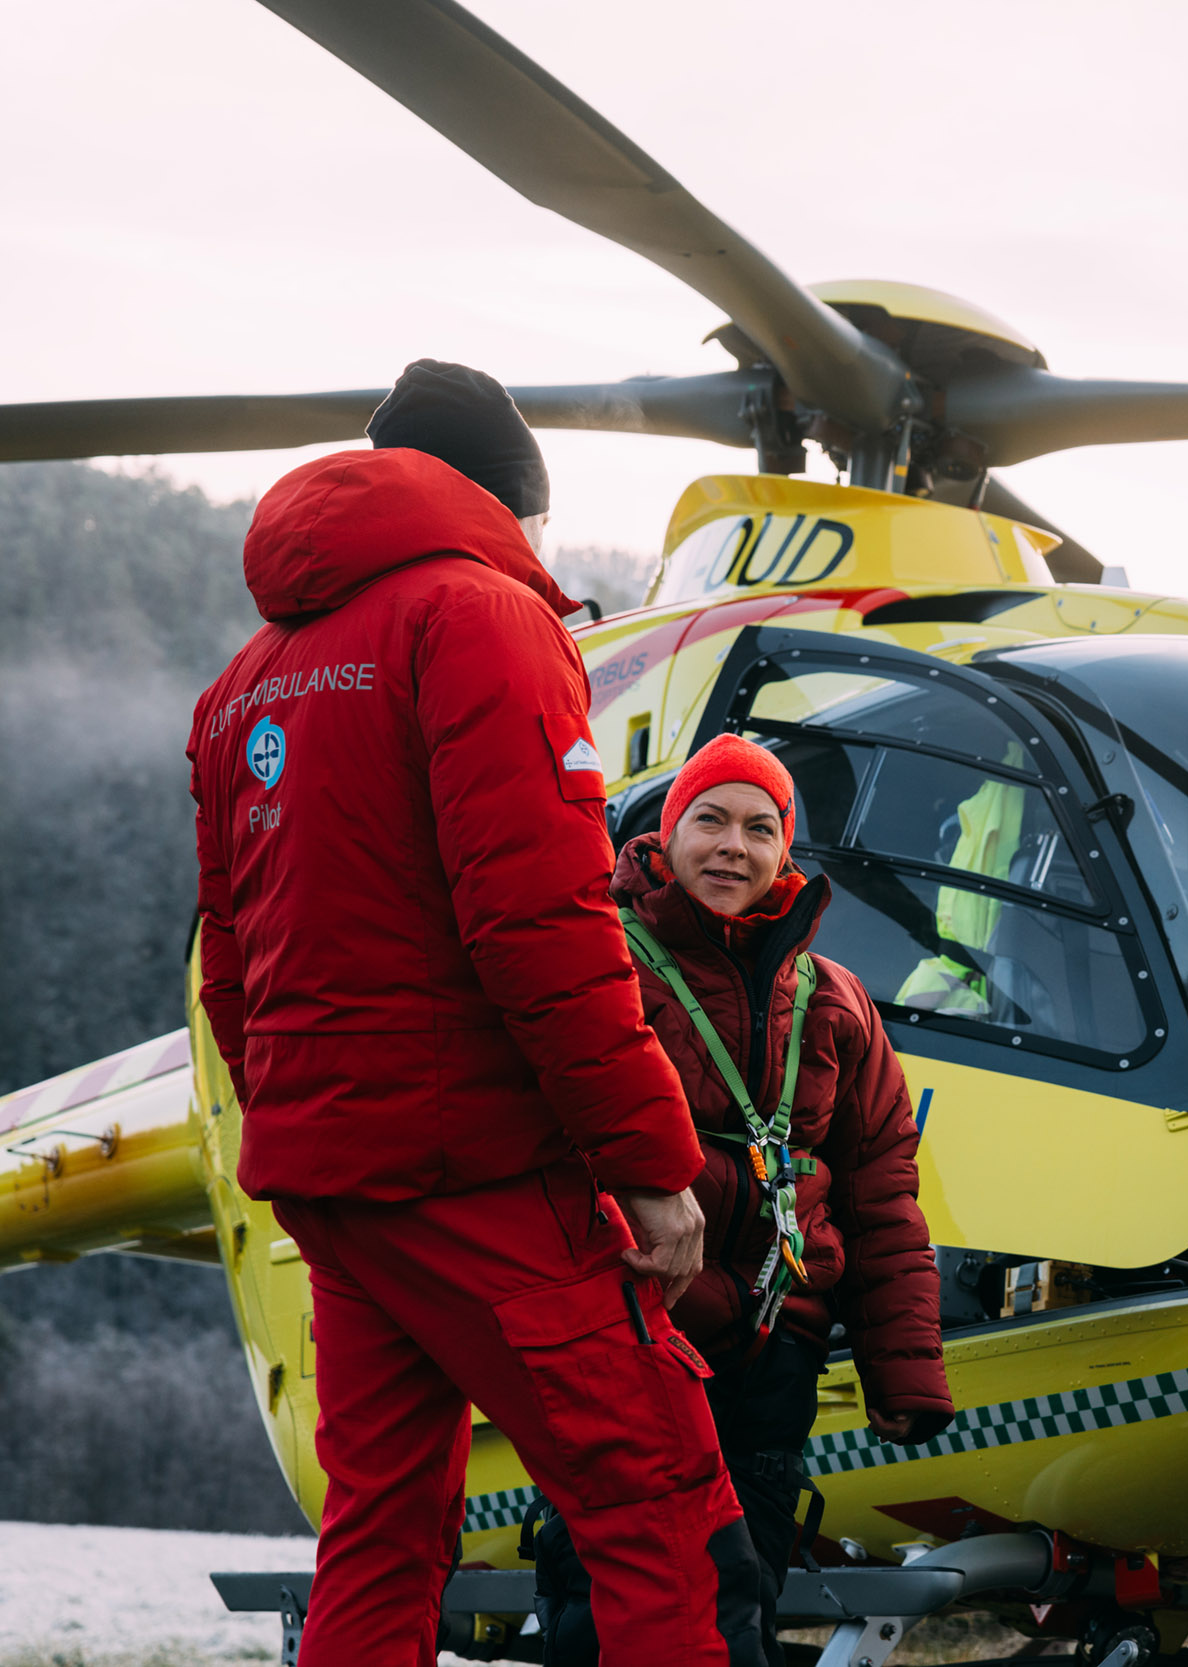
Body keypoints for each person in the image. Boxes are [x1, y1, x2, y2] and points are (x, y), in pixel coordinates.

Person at [188, 360, 769, 1667]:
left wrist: (315, 1120)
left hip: (335, 1176)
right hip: (476, 1166)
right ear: (508, 498)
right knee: (661, 1506)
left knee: (384, 1527)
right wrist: (654, 1167)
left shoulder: (244, 684)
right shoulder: (485, 619)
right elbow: (541, 930)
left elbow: (229, 963)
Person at [527, 733, 952, 1664]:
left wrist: (904, 1371)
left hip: (773, 1355)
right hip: (633, 1325)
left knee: (743, 1595)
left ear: (785, 852)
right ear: (668, 836)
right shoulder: (608, 962)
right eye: (709, 820)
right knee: (602, 1596)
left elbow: (885, 1192)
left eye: (760, 828)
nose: (733, 846)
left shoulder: (838, 1002)